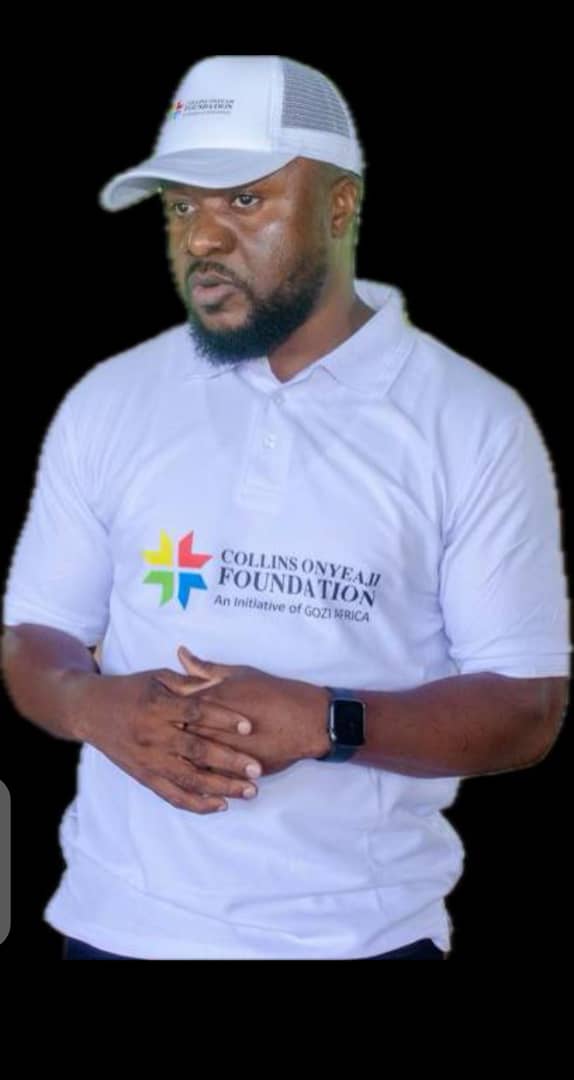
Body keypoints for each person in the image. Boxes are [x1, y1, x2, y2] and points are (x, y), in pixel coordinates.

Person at [1, 54, 570, 961]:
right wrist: (90, 705)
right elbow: (35, 634)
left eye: (245, 199)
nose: (202, 238)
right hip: (115, 930)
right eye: (180, 207)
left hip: (359, 941)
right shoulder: (114, 398)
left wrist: (327, 721)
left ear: (341, 206)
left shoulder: (471, 423)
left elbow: (527, 705)